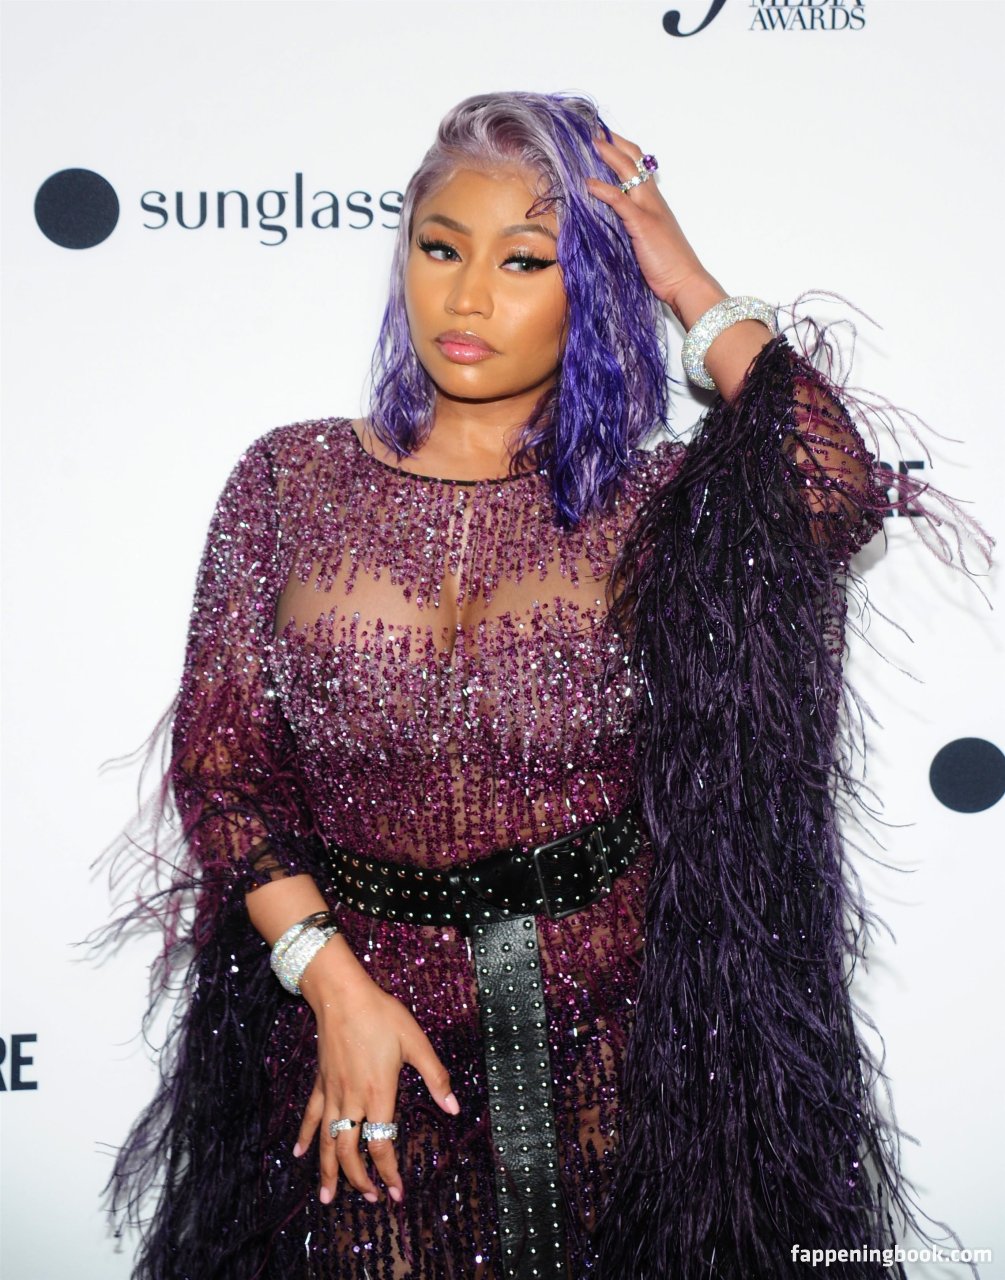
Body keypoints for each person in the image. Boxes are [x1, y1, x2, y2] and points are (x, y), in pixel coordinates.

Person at [106, 92, 983, 1280]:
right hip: (357, 1033)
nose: (467, 297)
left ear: (596, 286)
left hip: (620, 1049)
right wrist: (333, 986)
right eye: (440, 248)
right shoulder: (287, 479)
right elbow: (225, 774)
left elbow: (836, 490)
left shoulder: (654, 502)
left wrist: (681, 271)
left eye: (525, 260)